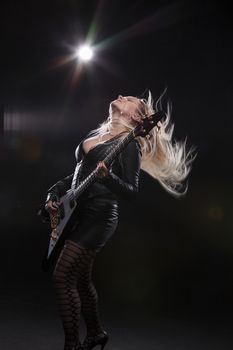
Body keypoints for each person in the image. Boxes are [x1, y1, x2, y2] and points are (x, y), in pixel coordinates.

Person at [44, 91, 195, 350]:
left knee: (63, 276)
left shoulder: (128, 145)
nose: (121, 95)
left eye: (129, 99)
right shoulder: (95, 137)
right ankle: (96, 334)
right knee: (81, 280)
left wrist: (107, 177)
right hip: (76, 214)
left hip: (100, 217)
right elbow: (77, 175)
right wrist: (53, 194)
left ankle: (72, 345)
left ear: (136, 117)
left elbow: (131, 191)